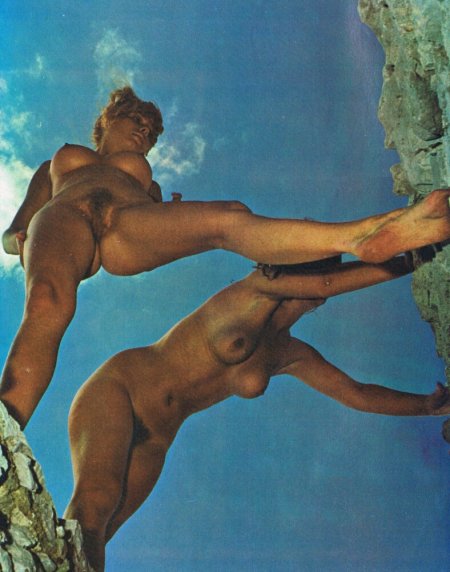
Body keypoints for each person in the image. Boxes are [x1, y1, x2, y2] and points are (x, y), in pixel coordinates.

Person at [2, 86, 450, 429]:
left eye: (152, 132)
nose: (144, 132)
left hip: (127, 227)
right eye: (136, 120)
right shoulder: (59, 163)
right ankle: (8, 424)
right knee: (47, 301)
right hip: (63, 220)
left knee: (228, 216)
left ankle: (361, 237)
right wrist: (17, 239)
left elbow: (163, 222)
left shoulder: (148, 184)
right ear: (107, 120)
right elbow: (14, 230)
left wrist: (171, 212)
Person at [63, 256, 450, 571]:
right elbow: (326, 281)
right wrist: (411, 260)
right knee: (95, 503)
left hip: (158, 438)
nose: (320, 293)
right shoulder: (253, 291)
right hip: (122, 390)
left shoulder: (288, 354)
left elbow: (356, 394)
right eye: (319, 280)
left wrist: (427, 405)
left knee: (95, 539)